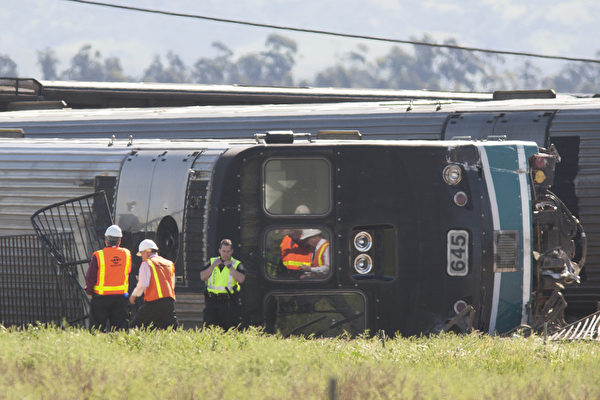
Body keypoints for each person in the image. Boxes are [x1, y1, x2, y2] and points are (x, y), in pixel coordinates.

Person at [85, 224, 131, 331]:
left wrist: (90, 292)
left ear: (106, 240)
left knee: (96, 330)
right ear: (119, 241)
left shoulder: (98, 255)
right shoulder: (127, 254)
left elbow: (90, 277)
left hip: (101, 298)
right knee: (120, 331)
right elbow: (128, 272)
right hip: (121, 298)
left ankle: (98, 347)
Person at [129, 239, 178, 329]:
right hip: (169, 302)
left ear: (147, 252)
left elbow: (143, 284)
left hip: (153, 302)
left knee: (135, 326)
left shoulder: (147, 263)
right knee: (171, 329)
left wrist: (134, 296)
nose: (142, 257)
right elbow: (172, 283)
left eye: (142, 254)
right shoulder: (169, 263)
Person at [200, 238, 246, 329]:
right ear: (219, 251)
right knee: (209, 328)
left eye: (228, 251)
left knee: (228, 329)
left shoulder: (236, 264)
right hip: (212, 302)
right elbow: (203, 276)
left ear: (232, 251)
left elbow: (241, 279)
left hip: (228, 302)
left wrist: (230, 267)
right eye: (224, 251)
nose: (226, 254)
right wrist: (213, 266)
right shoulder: (212, 261)